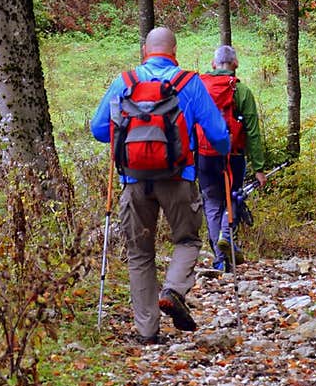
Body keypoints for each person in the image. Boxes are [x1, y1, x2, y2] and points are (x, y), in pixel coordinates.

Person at [90, 26, 230, 345]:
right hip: (179, 179)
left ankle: (147, 332)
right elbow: (219, 135)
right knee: (187, 240)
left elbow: (99, 129)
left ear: (144, 51)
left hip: (133, 181)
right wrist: (222, 152)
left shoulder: (124, 83)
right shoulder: (189, 83)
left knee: (139, 253)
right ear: (174, 51)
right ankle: (174, 290)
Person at [196, 44, 267, 270]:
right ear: (235, 64)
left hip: (204, 156)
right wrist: (259, 167)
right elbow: (253, 132)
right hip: (233, 155)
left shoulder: (199, 87)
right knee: (234, 196)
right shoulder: (242, 91)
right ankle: (227, 235)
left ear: (213, 64)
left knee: (212, 202)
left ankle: (219, 259)